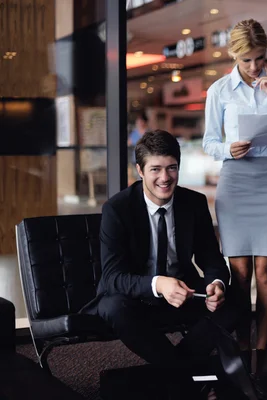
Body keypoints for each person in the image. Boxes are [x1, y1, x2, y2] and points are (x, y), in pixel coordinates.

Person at [81, 130, 236, 366]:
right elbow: (113, 277)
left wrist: (216, 285)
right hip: (135, 299)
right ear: (140, 170)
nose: (165, 177)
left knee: (235, 300)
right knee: (114, 307)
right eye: (155, 169)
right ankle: (183, 373)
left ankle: (175, 371)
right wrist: (158, 284)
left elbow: (212, 259)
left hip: (182, 294)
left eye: (171, 168)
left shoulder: (193, 203)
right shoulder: (117, 209)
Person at [202, 19, 267, 351]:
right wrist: (227, 150)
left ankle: (262, 348)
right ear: (233, 55)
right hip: (235, 179)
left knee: (264, 273)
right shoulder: (219, 91)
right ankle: (242, 345)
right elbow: (209, 142)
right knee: (240, 274)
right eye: (247, 59)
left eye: (260, 57)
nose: (255, 66)